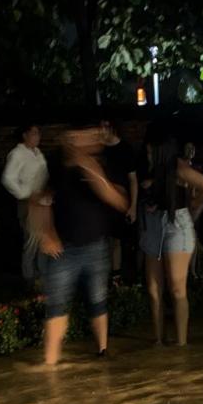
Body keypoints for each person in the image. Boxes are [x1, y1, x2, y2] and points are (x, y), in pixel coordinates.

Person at [31, 127, 130, 366]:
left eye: (84, 136)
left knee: (97, 301)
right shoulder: (56, 166)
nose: (77, 141)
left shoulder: (104, 164)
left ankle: (102, 351)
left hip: (95, 247)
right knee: (56, 305)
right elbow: (40, 200)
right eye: (72, 137)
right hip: (64, 248)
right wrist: (46, 233)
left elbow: (119, 201)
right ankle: (50, 363)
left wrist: (89, 168)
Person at [140, 139, 203, 346]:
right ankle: (158, 340)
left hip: (176, 224)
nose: (148, 155)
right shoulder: (149, 168)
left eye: (150, 151)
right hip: (154, 225)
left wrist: (193, 203)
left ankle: (181, 343)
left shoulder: (179, 168)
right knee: (154, 289)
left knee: (176, 288)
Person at [1, 123, 48, 287]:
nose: (38, 136)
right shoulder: (17, 154)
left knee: (43, 239)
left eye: (38, 133)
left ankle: (42, 275)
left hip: (42, 202)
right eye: (34, 133)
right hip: (28, 203)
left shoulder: (37, 153)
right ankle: (29, 277)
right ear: (25, 135)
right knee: (31, 241)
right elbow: (8, 178)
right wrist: (25, 194)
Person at [98, 119, 138, 280]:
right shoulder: (98, 149)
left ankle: (116, 276)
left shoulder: (125, 149)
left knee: (116, 240)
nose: (101, 130)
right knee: (102, 240)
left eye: (104, 127)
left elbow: (132, 179)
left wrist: (133, 206)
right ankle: (102, 275)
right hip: (100, 202)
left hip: (118, 201)